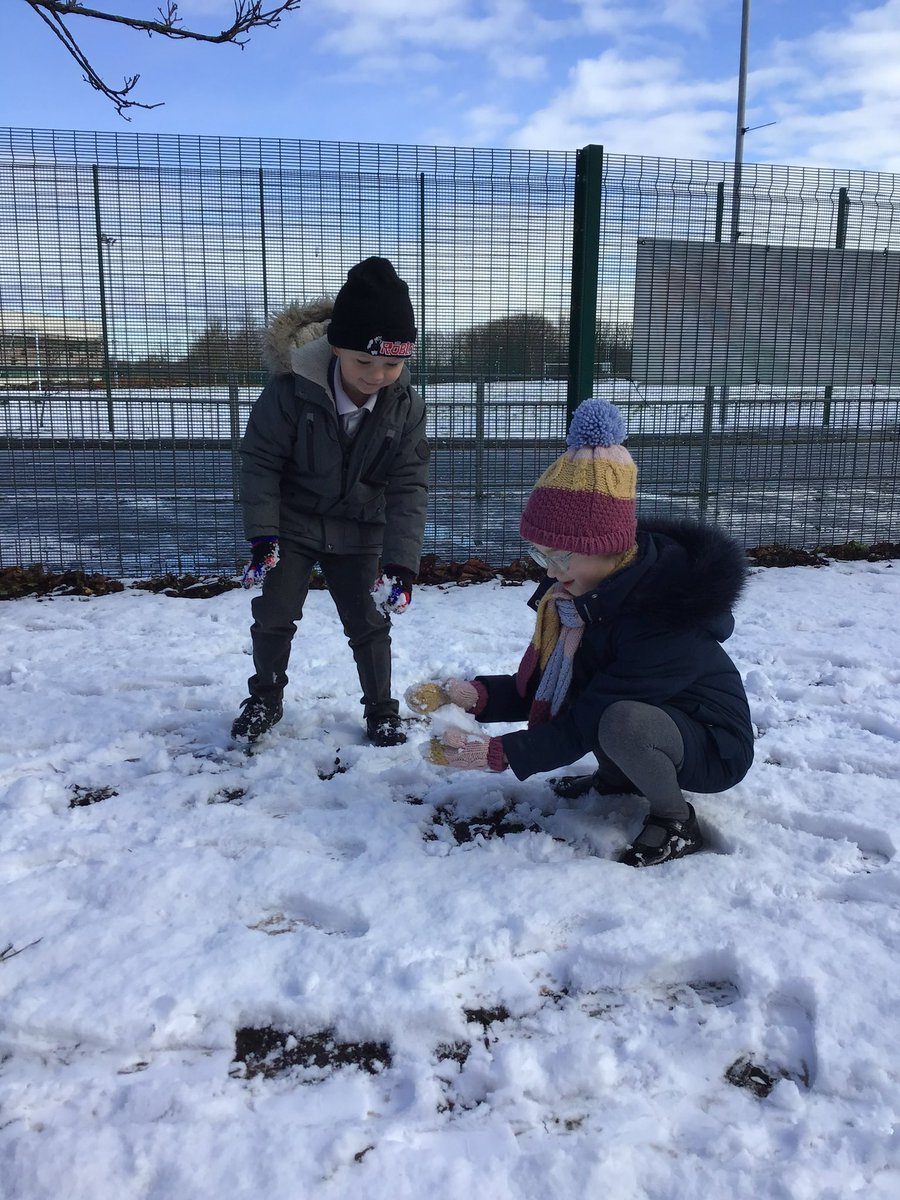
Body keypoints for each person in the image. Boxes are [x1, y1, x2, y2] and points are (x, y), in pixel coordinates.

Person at [406, 397, 754, 866]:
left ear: (607, 548)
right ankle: (617, 778)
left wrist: (499, 754)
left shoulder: (659, 620)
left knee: (619, 720)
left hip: (712, 744)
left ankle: (675, 819)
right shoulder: (579, 603)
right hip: (658, 718)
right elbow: (551, 690)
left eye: (562, 557)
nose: (550, 570)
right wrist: (468, 695)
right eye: (540, 555)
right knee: (602, 702)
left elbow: (591, 718)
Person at [231, 256, 429, 747]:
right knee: (275, 613)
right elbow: (259, 463)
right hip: (293, 525)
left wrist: (401, 565)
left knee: (369, 621)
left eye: (392, 363)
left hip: (362, 527)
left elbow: (409, 487)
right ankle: (265, 697)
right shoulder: (288, 395)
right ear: (336, 347)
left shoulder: (406, 408)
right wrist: (263, 535)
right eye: (364, 361)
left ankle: (382, 708)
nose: (378, 375)